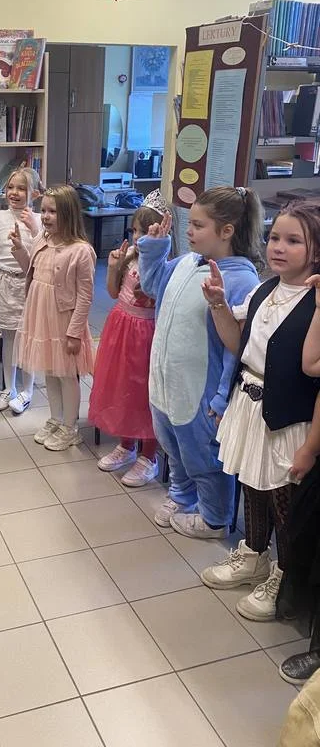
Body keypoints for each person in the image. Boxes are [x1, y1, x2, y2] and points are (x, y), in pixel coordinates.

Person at [198, 201, 320, 624]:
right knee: (251, 483)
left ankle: (284, 575)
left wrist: (310, 445)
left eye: (293, 241)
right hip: (250, 401)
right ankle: (253, 555)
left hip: (289, 417)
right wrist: (218, 305)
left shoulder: (315, 301)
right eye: (274, 238)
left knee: (283, 498)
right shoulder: (264, 290)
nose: (278, 247)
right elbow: (239, 344)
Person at [139, 186, 262, 538]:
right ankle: (182, 496)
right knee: (174, 446)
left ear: (227, 231)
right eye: (189, 223)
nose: (189, 231)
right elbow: (153, 286)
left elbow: (236, 348)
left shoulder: (241, 279)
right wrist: (154, 248)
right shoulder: (185, 263)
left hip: (201, 392)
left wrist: (222, 397)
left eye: (198, 225)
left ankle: (213, 518)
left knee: (204, 458)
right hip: (168, 383)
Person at [89, 189, 166, 486]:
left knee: (143, 392)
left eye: (146, 231)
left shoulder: (162, 265)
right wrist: (113, 267)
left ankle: (149, 456)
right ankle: (126, 444)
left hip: (146, 333)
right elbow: (112, 292)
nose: (138, 237)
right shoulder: (130, 256)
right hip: (120, 327)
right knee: (122, 386)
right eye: (135, 230)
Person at [11, 184, 95, 451]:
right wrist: (19, 249)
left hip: (64, 322)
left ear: (68, 214)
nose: (45, 217)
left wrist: (74, 332)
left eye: (53, 212)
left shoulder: (81, 251)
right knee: (50, 370)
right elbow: (30, 270)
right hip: (41, 316)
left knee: (67, 375)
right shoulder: (42, 239)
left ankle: (71, 427)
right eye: (44, 211)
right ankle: (56, 419)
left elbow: (85, 296)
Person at [0, 167, 41, 415]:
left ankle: (28, 391)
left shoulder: (39, 219)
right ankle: (9, 388)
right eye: (11, 187)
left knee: (28, 339)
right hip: (3, 283)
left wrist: (34, 229)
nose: (14, 192)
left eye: (21, 188)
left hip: (27, 284)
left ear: (34, 194)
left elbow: (41, 258)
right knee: (8, 339)